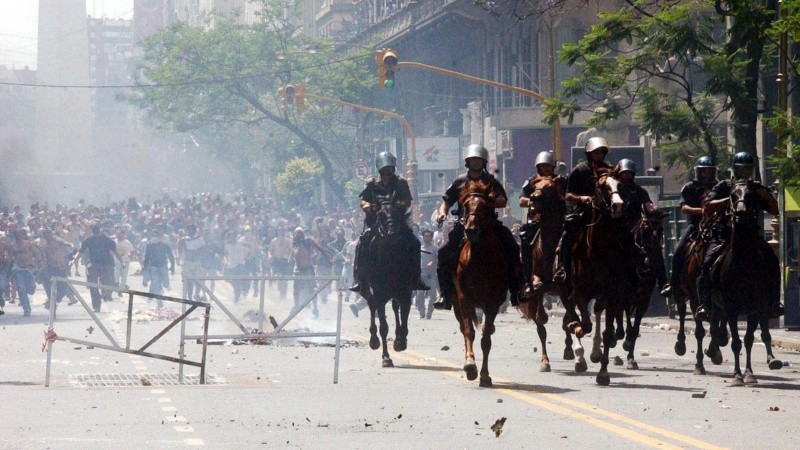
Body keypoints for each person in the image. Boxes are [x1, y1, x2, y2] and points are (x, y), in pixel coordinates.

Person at [432, 144, 530, 310]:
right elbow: (446, 202)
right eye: (472, 160)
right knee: (443, 252)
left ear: (483, 162)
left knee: (513, 248)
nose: (475, 163)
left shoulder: (491, 181)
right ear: (467, 162)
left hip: (489, 225)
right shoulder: (460, 181)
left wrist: (492, 200)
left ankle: (516, 292)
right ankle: (445, 294)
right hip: (464, 226)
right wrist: (442, 213)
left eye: (478, 160)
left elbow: (503, 200)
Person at [696, 152, 783, 319]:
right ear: (735, 169)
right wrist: (727, 200)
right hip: (725, 235)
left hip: (752, 236)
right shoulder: (723, 186)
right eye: (741, 169)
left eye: (747, 169)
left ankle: (775, 302)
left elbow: (775, 210)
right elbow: (707, 206)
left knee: (771, 260)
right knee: (707, 263)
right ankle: (704, 305)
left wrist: (766, 196)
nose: (745, 173)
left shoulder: (757, 188)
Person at [349, 151, 429, 295]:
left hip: (397, 220)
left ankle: (416, 278)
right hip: (376, 221)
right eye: (385, 168)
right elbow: (363, 199)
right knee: (361, 243)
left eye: (390, 167)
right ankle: (359, 279)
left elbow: (407, 200)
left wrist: (397, 206)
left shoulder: (401, 182)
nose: (388, 170)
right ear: (379, 168)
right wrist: (366, 205)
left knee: (415, 242)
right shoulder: (372, 183)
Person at [553, 137, 614, 284]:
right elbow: (568, 194)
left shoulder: (609, 171)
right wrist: (582, 198)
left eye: (601, 153)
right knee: (567, 233)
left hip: (605, 211)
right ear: (589, 154)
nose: (599, 156)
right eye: (595, 153)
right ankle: (563, 268)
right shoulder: (579, 170)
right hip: (583, 211)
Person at [659, 156, 718, 298]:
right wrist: (701, 211)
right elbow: (684, 208)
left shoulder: (719, 186)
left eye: (709, 171)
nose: (706, 174)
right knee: (679, 249)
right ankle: (673, 285)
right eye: (703, 171)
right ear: (698, 172)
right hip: (695, 225)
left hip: (717, 225)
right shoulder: (690, 187)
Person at [615, 158, 668, 293]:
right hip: (616, 225)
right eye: (624, 173)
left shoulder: (639, 191)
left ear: (633, 174)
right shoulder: (615, 190)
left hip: (635, 225)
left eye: (629, 173)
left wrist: (653, 211)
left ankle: (664, 283)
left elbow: (647, 205)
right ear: (620, 174)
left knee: (655, 248)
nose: (626, 175)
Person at [518, 150, 565, 297]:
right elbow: (521, 200)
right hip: (539, 222)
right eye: (543, 166)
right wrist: (532, 200)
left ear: (553, 167)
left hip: (560, 220)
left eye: (548, 166)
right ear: (538, 167)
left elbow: (568, 197)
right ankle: (528, 281)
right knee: (525, 241)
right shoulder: (531, 181)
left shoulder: (562, 181)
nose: (546, 168)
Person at [79, 224, 122, 312]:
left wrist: (122, 262)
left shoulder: (107, 239)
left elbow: (115, 251)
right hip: (94, 265)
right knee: (93, 286)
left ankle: (104, 294)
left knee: (108, 284)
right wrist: (74, 261)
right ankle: (97, 306)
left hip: (106, 265)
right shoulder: (89, 240)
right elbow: (81, 251)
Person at [39, 228, 78, 309]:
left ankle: (56, 300)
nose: (47, 236)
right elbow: (42, 258)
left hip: (61, 268)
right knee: (50, 289)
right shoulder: (43, 245)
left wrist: (71, 245)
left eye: (48, 234)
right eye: (45, 235)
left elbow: (65, 243)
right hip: (50, 269)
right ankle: (51, 304)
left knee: (63, 288)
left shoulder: (57, 241)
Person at [292, 227, 326, 318]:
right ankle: (296, 305)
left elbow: (318, 248)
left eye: (300, 233)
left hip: (308, 269)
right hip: (298, 270)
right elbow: (292, 255)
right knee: (296, 290)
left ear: (303, 234)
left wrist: (325, 257)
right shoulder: (294, 244)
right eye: (297, 233)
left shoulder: (307, 241)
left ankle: (315, 308)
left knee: (311, 290)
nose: (298, 235)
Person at [9, 228, 41, 316]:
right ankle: (27, 309)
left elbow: (36, 253)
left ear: (24, 235)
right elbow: (10, 257)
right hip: (18, 269)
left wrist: (37, 263)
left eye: (21, 234)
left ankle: (25, 300)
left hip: (28, 269)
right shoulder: (13, 245)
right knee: (21, 288)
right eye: (17, 234)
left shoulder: (29, 244)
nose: (19, 236)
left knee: (31, 289)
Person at [142, 229, 176, 304]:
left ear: (159, 237)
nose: (155, 238)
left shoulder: (164, 245)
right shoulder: (149, 246)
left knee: (165, 283)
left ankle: (164, 288)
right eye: (153, 236)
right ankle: (159, 300)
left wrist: (172, 267)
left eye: (156, 236)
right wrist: (144, 268)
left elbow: (171, 256)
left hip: (163, 266)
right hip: (154, 267)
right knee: (156, 282)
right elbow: (147, 257)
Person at [415, 229, 439, 319]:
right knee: (420, 294)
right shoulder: (420, 248)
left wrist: (433, 262)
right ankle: (422, 312)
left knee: (432, 295)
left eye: (429, 236)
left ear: (432, 237)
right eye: (426, 236)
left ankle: (429, 312)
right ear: (423, 237)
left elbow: (439, 258)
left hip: (432, 274)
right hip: (422, 274)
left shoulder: (435, 248)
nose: (427, 238)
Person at [179, 224, 206, 301]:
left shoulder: (200, 239)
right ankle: (190, 298)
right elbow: (180, 248)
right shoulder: (184, 240)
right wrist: (180, 256)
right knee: (189, 282)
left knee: (199, 281)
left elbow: (203, 249)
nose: (190, 231)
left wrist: (198, 252)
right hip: (188, 263)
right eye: (189, 229)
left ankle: (196, 294)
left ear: (195, 230)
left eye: (192, 229)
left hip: (197, 262)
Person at [268, 228, 292, 302]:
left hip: (284, 261)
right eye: (279, 232)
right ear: (277, 233)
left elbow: (291, 251)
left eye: (282, 232)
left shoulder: (288, 241)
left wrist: (289, 257)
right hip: (276, 260)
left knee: (284, 278)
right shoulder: (274, 241)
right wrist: (270, 257)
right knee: (278, 277)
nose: (281, 234)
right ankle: (280, 291)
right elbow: (270, 250)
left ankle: (283, 294)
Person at [113, 227, 135, 296]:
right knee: (116, 276)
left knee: (123, 277)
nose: (119, 235)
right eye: (117, 233)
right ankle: (118, 287)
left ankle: (121, 290)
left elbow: (132, 251)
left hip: (125, 262)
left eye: (120, 233)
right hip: (116, 262)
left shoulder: (127, 242)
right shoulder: (114, 242)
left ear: (123, 234)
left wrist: (130, 258)